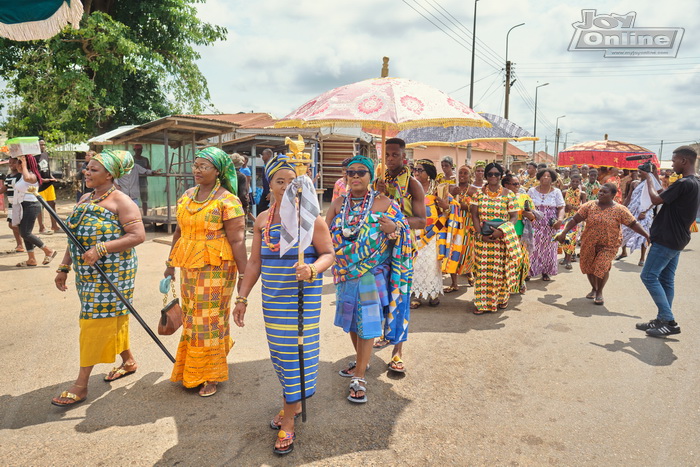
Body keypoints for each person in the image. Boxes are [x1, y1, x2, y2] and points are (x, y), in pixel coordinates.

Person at [232, 153, 334, 455]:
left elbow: (328, 254)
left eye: (294, 181)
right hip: (272, 300)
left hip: (302, 298)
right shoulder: (263, 220)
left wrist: (313, 269)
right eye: (281, 181)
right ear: (270, 187)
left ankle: (289, 420)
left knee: (294, 356)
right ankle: (292, 400)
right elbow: (254, 262)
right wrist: (242, 297)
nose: (288, 186)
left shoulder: (311, 220)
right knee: (280, 355)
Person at [51, 149, 146, 406]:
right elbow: (75, 239)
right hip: (87, 274)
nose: (87, 172)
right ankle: (128, 360)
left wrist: (101, 248)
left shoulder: (121, 201)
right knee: (112, 316)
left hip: (114, 273)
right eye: (87, 168)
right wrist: (64, 267)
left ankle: (81, 384)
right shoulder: (86, 198)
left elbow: (137, 236)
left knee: (94, 322)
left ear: (109, 175)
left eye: (93, 169)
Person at [325, 155, 412, 404]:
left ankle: (360, 376)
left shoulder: (385, 203)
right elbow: (322, 232)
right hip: (344, 274)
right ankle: (361, 361)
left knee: (367, 323)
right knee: (352, 322)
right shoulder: (338, 204)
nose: (354, 176)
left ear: (370, 176)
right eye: (350, 172)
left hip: (370, 275)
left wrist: (392, 230)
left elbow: (404, 234)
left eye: (361, 172)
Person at [164, 147, 248, 397]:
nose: (197, 170)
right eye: (196, 165)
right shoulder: (188, 195)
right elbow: (178, 232)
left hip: (217, 268)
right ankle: (194, 367)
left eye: (204, 166)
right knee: (192, 317)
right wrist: (169, 263)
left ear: (218, 171)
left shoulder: (227, 200)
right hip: (189, 266)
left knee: (208, 319)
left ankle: (210, 374)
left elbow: (238, 241)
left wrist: (244, 277)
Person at [374, 137, 426, 373]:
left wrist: (396, 222)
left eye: (395, 155)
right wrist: (379, 195)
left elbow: (421, 221)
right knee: (380, 295)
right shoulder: (378, 181)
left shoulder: (413, 184)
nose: (390, 159)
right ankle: (384, 334)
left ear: (404, 157)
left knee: (400, 296)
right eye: (387, 155)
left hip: (403, 247)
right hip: (379, 247)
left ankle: (397, 352)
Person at [636, 146, 700, 337]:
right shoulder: (694, 182)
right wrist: (653, 176)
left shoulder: (684, 183)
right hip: (677, 238)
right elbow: (664, 195)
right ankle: (662, 319)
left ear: (684, 161)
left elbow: (655, 199)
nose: (672, 165)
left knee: (648, 276)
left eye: (673, 161)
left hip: (667, 238)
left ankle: (669, 321)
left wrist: (647, 177)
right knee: (665, 279)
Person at [556, 183, 649, 306]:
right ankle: (594, 288)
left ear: (612, 195)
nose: (600, 193)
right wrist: (564, 232)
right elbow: (575, 219)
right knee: (589, 267)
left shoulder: (620, 210)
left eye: (604, 192)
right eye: (600, 191)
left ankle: (599, 292)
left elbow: (633, 224)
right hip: (589, 242)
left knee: (602, 265)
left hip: (609, 244)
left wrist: (647, 235)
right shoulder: (588, 206)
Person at [470, 162, 520, 314]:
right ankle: (482, 304)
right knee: (483, 272)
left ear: (501, 176)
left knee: (500, 271)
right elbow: (474, 215)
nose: (493, 177)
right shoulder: (478, 194)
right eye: (490, 174)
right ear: (485, 176)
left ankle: (501, 299)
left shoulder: (509, 194)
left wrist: (502, 231)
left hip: (501, 240)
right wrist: (480, 235)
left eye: (496, 174)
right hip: (483, 241)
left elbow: (514, 217)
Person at [410, 159, 450, 308]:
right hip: (415, 232)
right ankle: (417, 296)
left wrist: (446, 207)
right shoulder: (410, 188)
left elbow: (448, 211)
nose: (416, 172)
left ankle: (433, 294)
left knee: (432, 265)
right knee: (416, 264)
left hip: (433, 233)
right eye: (415, 169)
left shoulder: (438, 190)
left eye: (420, 170)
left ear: (429, 173)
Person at [13, 155, 57, 267]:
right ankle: (31, 259)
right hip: (24, 206)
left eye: (18, 163)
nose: (16, 165)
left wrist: (23, 164)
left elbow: (28, 178)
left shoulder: (32, 175)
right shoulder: (23, 175)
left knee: (25, 233)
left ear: (24, 164)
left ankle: (48, 250)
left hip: (31, 206)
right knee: (25, 232)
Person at [527, 168, 565, 281]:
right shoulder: (532, 191)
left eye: (548, 176)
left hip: (550, 224)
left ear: (552, 178)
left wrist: (560, 219)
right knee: (532, 247)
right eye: (543, 175)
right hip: (534, 223)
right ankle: (529, 271)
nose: (546, 178)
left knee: (548, 248)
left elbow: (561, 207)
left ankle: (545, 271)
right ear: (539, 177)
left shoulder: (556, 192)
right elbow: (526, 205)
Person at [443, 165, 475, 291]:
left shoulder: (473, 191)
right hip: (453, 224)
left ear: (470, 176)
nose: (462, 175)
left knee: (466, 252)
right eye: (460, 173)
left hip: (467, 225)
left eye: (465, 173)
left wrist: (464, 206)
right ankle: (454, 283)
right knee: (453, 252)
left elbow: (476, 209)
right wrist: (452, 195)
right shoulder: (451, 188)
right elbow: (444, 204)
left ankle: (469, 272)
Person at [502, 174, 535, 292]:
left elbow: (533, 217)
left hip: (522, 234)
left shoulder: (524, 197)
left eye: (518, 183)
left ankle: (521, 282)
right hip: (506, 234)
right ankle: (509, 284)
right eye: (515, 184)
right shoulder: (501, 197)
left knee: (522, 260)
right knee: (508, 261)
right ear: (506, 185)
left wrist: (528, 214)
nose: (518, 186)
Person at [617, 168, 655, 266]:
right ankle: (623, 252)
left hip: (644, 212)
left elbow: (653, 200)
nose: (639, 174)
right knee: (624, 230)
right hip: (632, 209)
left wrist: (645, 211)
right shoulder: (634, 183)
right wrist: (622, 208)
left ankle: (642, 258)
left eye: (641, 172)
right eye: (639, 172)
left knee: (643, 234)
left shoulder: (651, 184)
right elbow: (629, 197)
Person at [561, 174, 586, 270]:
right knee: (564, 238)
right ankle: (565, 257)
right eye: (573, 181)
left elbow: (583, 207)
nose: (575, 183)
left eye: (577, 182)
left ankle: (568, 260)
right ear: (570, 181)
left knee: (572, 239)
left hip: (576, 218)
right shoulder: (564, 192)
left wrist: (573, 207)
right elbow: (561, 205)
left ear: (580, 182)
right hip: (565, 217)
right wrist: (565, 208)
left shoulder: (582, 193)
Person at [35, 139, 60, 233]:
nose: (43, 146)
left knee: (52, 204)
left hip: (49, 184)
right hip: (40, 185)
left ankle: (55, 226)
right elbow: (33, 172)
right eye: (41, 145)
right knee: (40, 206)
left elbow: (47, 168)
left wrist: (52, 177)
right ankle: (42, 227)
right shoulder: (33, 157)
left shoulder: (45, 154)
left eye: (44, 145)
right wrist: (40, 179)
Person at [1, 157, 25, 253]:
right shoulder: (9, 176)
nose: (11, 165)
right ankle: (20, 244)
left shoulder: (21, 175)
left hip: (19, 203)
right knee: (12, 225)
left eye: (13, 163)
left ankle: (27, 240)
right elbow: (4, 188)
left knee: (14, 224)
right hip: (11, 204)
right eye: (10, 163)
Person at [132, 144, 151, 216]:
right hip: (134, 182)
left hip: (143, 182)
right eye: (137, 150)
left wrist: (147, 171)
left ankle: (145, 215)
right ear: (134, 150)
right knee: (134, 199)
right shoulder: (132, 159)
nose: (139, 151)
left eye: (140, 150)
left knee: (144, 200)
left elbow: (148, 169)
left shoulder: (145, 159)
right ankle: (135, 215)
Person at [256, 148, 273, 213]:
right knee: (261, 208)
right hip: (265, 191)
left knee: (263, 207)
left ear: (268, 155)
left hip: (270, 191)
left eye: (263, 155)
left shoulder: (271, 166)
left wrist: (271, 192)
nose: (262, 157)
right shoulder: (265, 165)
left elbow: (271, 179)